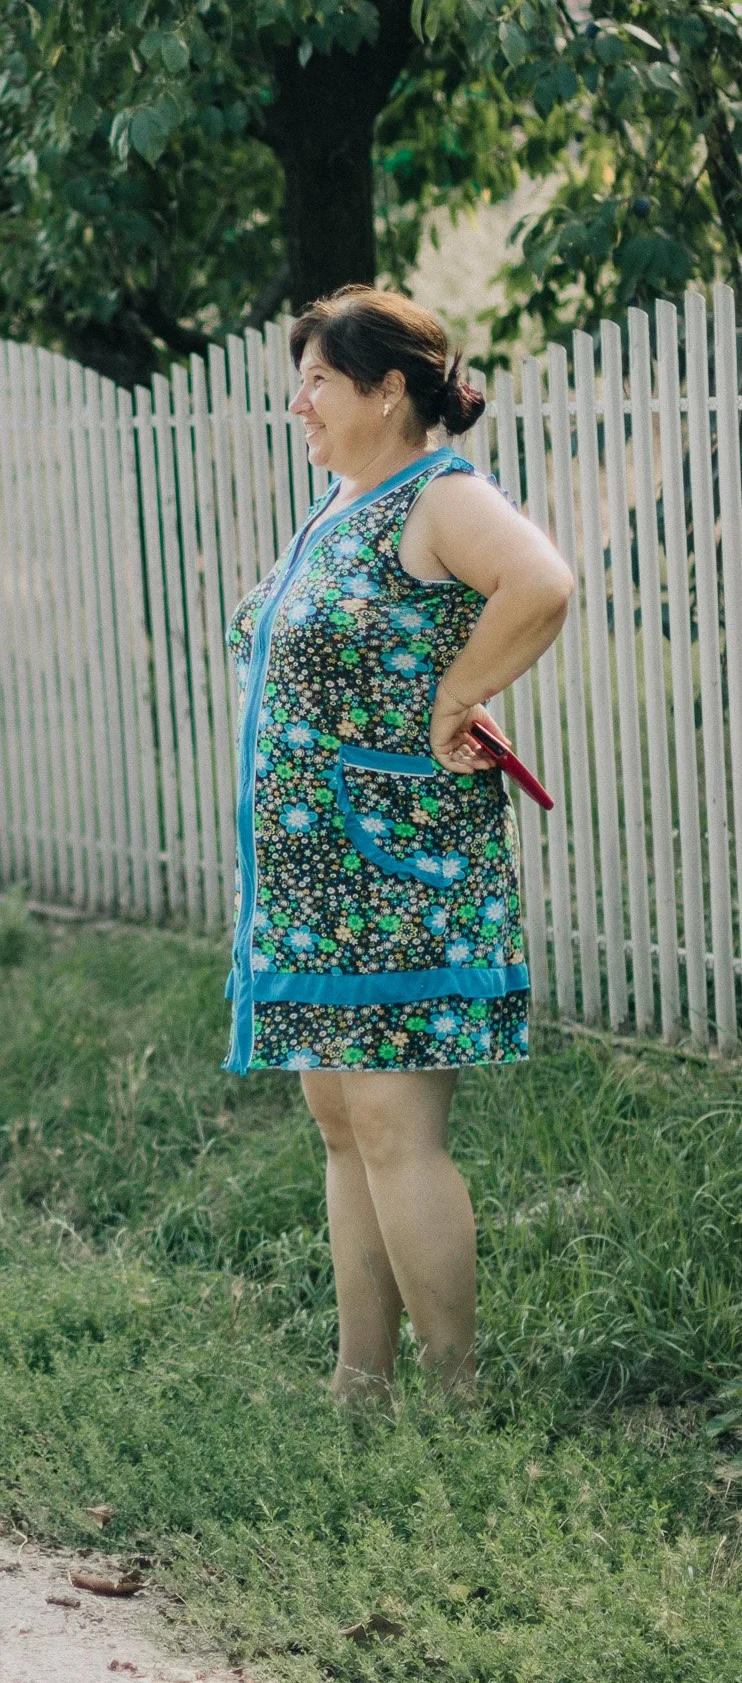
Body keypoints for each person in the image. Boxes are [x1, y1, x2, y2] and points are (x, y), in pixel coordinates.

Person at [224, 285, 572, 1399]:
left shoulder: (439, 496)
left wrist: (458, 694)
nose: (300, 402)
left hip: (396, 868)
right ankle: (358, 1383)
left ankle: (454, 1395)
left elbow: (544, 582)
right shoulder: (342, 501)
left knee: (391, 1123)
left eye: (320, 380)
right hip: (317, 872)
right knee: (342, 1123)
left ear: (388, 389)